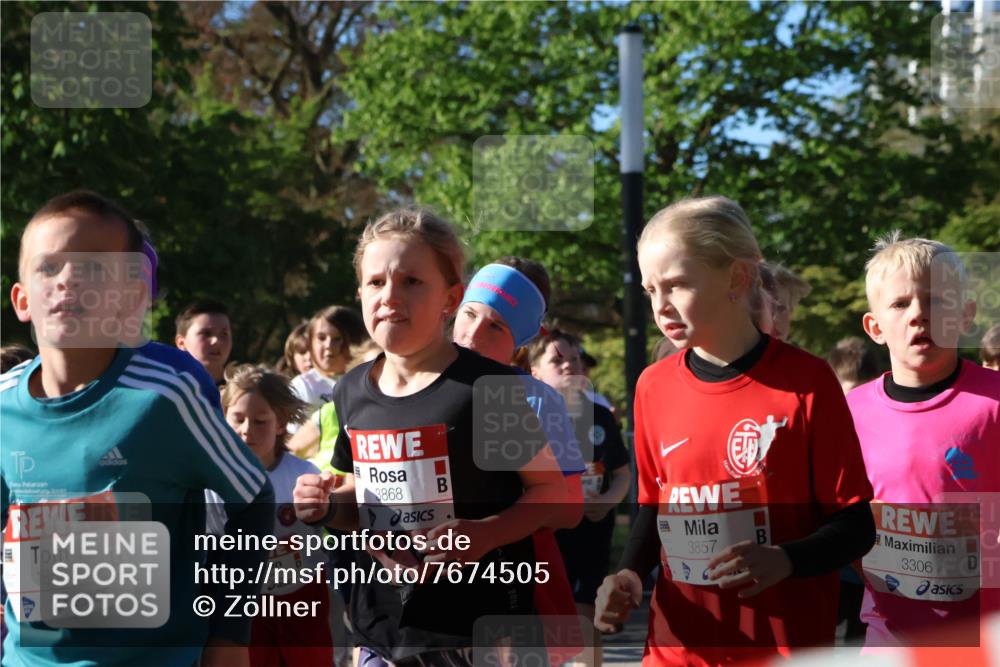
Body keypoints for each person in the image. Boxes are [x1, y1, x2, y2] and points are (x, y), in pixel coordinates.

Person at [594, 195, 875, 666]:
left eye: (678, 284)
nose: (660, 306)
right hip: (676, 647)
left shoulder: (806, 382)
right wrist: (626, 575)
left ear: (737, 277)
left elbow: (856, 525)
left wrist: (784, 559)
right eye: (650, 290)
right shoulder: (652, 385)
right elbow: (653, 506)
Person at [1, 190, 273, 667]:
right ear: (22, 299)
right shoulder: (2, 402)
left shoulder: (165, 397)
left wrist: (229, 637)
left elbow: (252, 499)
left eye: (93, 269)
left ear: (129, 299)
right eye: (50, 267)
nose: (69, 281)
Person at [293, 208, 566, 666]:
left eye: (411, 282)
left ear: (451, 297)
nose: (390, 296)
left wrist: (486, 533)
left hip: (477, 632)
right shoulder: (351, 390)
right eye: (376, 282)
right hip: (381, 629)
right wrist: (321, 503)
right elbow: (356, 497)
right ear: (359, 293)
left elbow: (553, 492)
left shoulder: (486, 387)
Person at [848, 232, 1000, 647]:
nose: (919, 314)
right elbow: (840, 517)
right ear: (875, 326)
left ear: (966, 315)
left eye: (936, 301)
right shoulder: (850, 412)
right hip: (891, 635)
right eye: (900, 303)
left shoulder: (994, 400)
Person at [453, 257, 587, 665]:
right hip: (431, 586)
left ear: (529, 334)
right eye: (470, 314)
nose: (475, 334)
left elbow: (571, 508)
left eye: (498, 324)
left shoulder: (536, 398)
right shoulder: (416, 383)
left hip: (517, 583)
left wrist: (495, 519)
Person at [218, 365, 332, 667]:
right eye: (238, 419)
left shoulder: (304, 474)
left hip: (302, 595)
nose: (246, 430)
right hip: (244, 601)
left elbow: (323, 529)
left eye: (260, 421)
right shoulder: (213, 482)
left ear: (281, 423)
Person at [528, 329, 629, 667]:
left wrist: (609, 501)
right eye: (557, 360)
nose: (569, 366)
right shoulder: (527, 421)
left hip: (592, 531)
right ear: (535, 373)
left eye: (575, 359)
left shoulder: (600, 417)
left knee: (585, 613)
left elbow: (623, 473)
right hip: (549, 534)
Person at [289, 306, 367, 415]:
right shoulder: (302, 386)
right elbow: (295, 432)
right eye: (321, 338)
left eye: (337, 339)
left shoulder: (373, 380)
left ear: (356, 341)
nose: (328, 345)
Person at [175, 298, 233, 385]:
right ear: (181, 343)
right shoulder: (165, 390)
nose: (216, 341)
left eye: (224, 334)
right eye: (206, 333)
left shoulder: (243, 394)